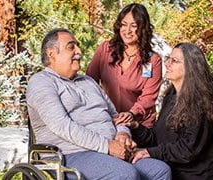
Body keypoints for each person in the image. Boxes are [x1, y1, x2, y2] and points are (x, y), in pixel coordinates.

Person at [26, 28, 171, 180]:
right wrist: (107, 146)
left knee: (159, 170)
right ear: (51, 54)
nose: (79, 51)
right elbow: (61, 125)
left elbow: (115, 116)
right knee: (124, 174)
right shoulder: (41, 82)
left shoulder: (88, 81)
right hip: (69, 154)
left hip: (108, 151)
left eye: (77, 46)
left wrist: (122, 134)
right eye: (71, 46)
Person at [115, 42, 213, 179]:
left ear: (190, 67)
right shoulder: (171, 96)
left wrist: (148, 152)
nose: (167, 64)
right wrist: (135, 126)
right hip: (171, 173)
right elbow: (158, 138)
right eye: (168, 59)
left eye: (174, 61)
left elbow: (188, 149)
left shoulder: (203, 101)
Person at [86, 3, 162, 128]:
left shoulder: (153, 60)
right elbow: (89, 82)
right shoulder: (105, 49)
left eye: (134, 26)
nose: (127, 31)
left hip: (138, 124)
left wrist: (131, 114)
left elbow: (148, 97)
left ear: (143, 28)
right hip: (108, 120)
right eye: (124, 25)